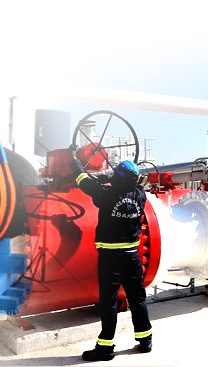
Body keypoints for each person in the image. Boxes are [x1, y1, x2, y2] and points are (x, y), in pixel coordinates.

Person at [69, 146, 153, 362]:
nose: (112, 175)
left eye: (115, 174)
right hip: (132, 257)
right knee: (138, 298)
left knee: (109, 302)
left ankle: (105, 348)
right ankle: (145, 340)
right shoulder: (140, 194)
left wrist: (73, 159)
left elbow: (82, 180)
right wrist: (116, 178)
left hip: (110, 259)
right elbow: (135, 183)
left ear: (118, 178)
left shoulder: (106, 194)